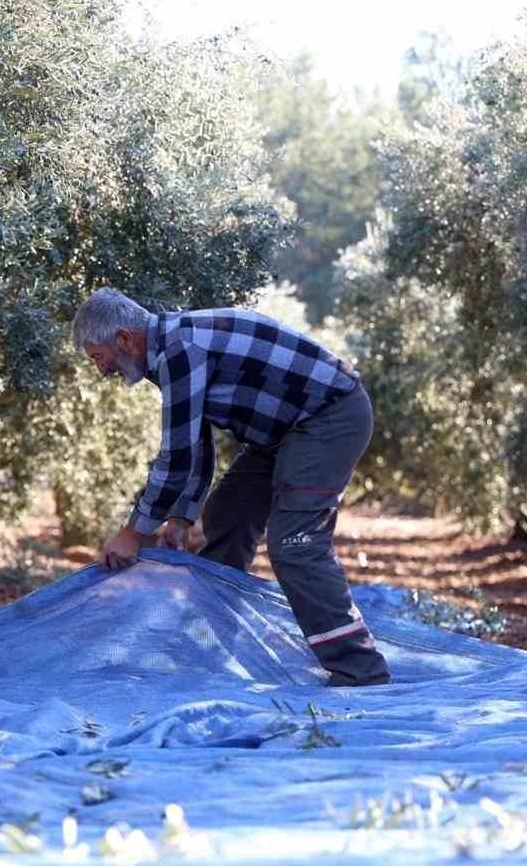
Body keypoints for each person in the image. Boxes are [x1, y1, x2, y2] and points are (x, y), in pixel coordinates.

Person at [70, 288, 391, 687]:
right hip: (281, 434)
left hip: (330, 416)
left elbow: (177, 455)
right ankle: (210, 653)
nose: (102, 371)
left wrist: (134, 533)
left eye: (98, 358)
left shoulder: (180, 349)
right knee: (226, 514)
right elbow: (196, 442)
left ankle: (361, 672)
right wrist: (181, 516)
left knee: (295, 546)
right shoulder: (170, 351)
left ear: (123, 339)